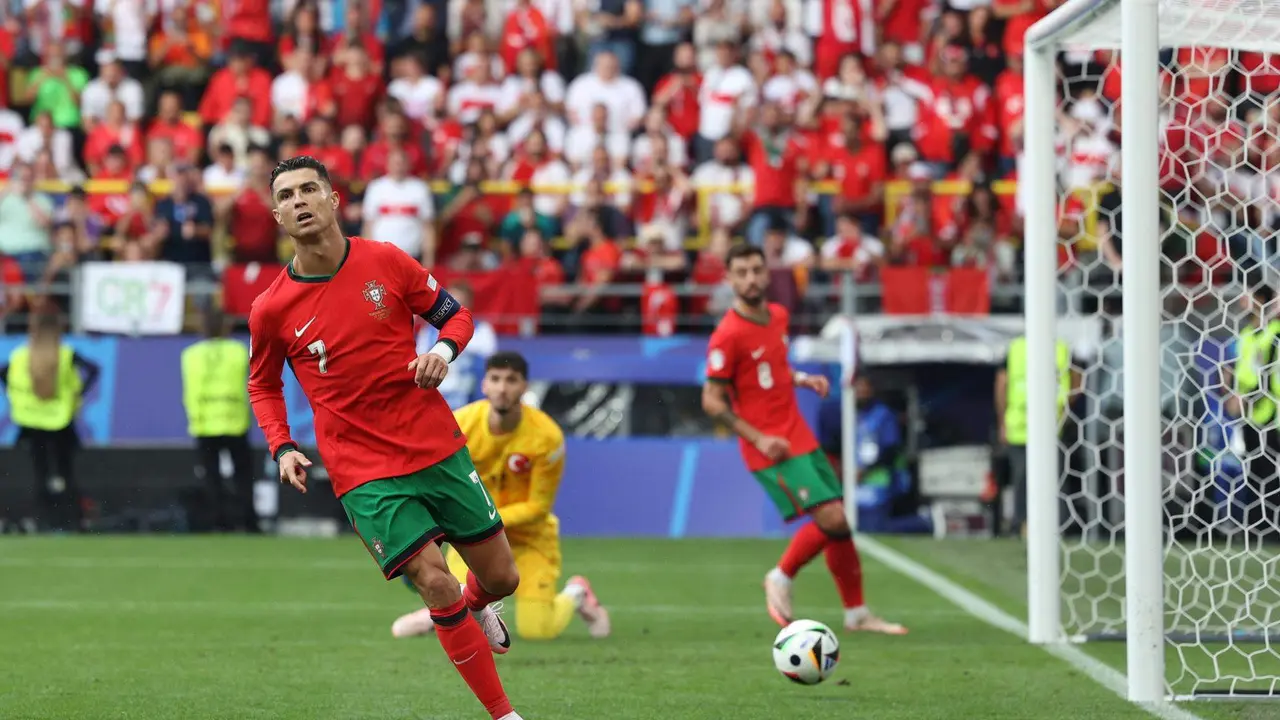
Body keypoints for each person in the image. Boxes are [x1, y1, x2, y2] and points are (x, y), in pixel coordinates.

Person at [245, 156, 524, 720]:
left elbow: (456, 316)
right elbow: (262, 384)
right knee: (431, 577)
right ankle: (504, 715)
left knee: (501, 577)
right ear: (277, 215)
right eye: (286, 195)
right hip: (360, 465)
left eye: (308, 189)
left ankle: (477, 606)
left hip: (431, 442)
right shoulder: (271, 308)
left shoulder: (386, 261)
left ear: (333, 198)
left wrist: (441, 352)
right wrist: (282, 444)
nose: (298, 201)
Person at [701, 244, 906, 635]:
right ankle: (781, 576)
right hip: (770, 446)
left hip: (798, 433)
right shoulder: (726, 336)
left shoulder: (777, 315)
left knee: (840, 524)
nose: (750, 279)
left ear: (767, 273)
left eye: (756, 270)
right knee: (831, 517)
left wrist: (801, 379)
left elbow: (770, 368)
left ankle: (857, 613)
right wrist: (759, 439)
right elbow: (711, 401)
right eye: (741, 272)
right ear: (728, 279)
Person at [390, 352, 612, 641]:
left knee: (538, 631)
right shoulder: (461, 424)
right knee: (459, 600)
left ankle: (576, 593)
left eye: (511, 380)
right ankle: (446, 609)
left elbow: (539, 506)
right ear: (484, 385)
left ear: (525, 387)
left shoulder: (547, 437)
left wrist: (482, 519)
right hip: (473, 538)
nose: (503, 388)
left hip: (528, 539)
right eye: (495, 379)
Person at [0, 311, 100, 532]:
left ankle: (40, 520)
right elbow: (93, 370)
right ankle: (73, 520)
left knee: (39, 474)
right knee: (66, 473)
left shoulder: (20, 356)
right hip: (61, 421)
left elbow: (4, 373)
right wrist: (78, 394)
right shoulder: (65, 354)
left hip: (30, 422)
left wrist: (14, 394)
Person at [181, 310, 257, 532]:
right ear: (227, 327)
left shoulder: (190, 354)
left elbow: (190, 390)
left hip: (204, 422)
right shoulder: (239, 351)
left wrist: (194, 418)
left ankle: (218, 522)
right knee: (242, 476)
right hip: (234, 420)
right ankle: (249, 522)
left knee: (211, 477)